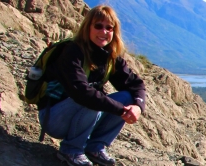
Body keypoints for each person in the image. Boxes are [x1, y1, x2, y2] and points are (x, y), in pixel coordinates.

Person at [38, 5, 146, 166]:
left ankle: (95, 147)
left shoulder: (110, 56)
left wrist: (137, 106)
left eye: (109, 28)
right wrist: (121, 110)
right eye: (98, 26)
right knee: (92, 99)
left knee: (127, 97)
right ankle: (71, 150)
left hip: (81, 114)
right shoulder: (72, 52)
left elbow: (136, 85)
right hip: (54, 117)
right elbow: (82, 92)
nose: (104, 32)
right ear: (87, 27)